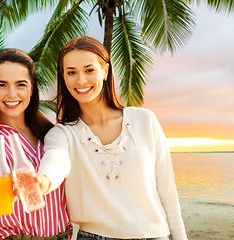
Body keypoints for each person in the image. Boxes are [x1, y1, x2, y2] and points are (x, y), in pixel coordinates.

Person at [37, 36, 188, 240]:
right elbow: (56, 159)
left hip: (155, 235)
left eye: (89, 70)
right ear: (63, 77)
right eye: (71, 72)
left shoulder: (145, 120)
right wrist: (43, 181)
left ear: (105, 71)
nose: (80, 80)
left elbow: (168, 192)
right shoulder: (63, 133)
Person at [0, 48, 71, 240]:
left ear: (31, 88)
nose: (12, 94)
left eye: (20, 85)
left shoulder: (51, 133)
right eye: (2, 85)